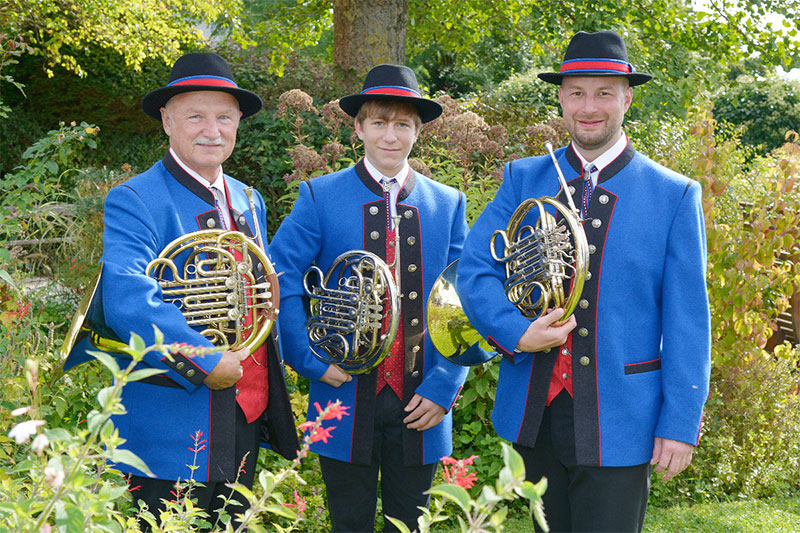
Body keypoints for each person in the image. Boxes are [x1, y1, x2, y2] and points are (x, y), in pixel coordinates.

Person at [456, 30, 711, 532]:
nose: (589, 106)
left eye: (604, 92)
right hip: (536, 411)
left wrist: (680, 422)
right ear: (561, 97)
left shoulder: (674, 195)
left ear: (627, 98)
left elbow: (687, 320)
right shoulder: (522, 179)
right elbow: (475, 269)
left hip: (623, 416)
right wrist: (517, 331)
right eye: (576, 92)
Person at [62, 52, 297, 528]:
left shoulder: (249, 199)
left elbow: (256, 290)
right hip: (168, 421)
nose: (212, 130)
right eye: (196, 116)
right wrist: (206, 360)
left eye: (225, 117)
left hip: (244, 412)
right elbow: (129, 298)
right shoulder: (135, 198)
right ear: (168, 121)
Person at [270, 64, 470, 532]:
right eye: (379, 122)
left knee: (412, 524)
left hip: (423, 397)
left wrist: (446, 385)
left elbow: (464, 298)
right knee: (349, 522)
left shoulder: (449, 202)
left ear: (418, 131)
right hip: (342, 389)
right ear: (358, 127)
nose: (390, 135)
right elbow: (280, 278)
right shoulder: (319, 196)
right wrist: (309, 360)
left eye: (403, 124)